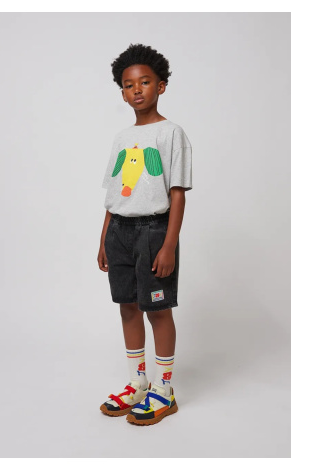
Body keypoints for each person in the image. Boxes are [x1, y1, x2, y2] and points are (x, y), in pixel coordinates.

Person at [97, 43, 193, 426]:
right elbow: (114, 193)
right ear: (122, 92)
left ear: (161, 86)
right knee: (127, 305)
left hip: (153, 231)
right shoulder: (122, 138)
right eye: (128, 84)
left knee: (157, 308)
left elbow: (177, 193)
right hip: (119, 231)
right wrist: (104, 239)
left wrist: (168, 244)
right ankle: (138, 383)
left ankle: (164, 390)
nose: (136, 89)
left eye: (145, 82)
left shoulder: (172, 133)